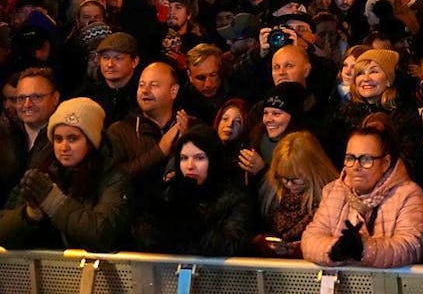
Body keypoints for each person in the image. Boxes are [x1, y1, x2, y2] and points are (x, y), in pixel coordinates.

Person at [0, 98, 131, 251]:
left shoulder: (114, 177)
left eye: (73, 139)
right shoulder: (42, 172)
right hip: (44, 270)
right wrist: (30, 215)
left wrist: (53, 201)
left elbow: (102, 233)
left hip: (94, 272)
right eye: (58, 139)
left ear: (91, 141)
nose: (64, 147)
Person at [301, 116, 423, 267]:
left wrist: (365, 248)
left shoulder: (408, 194)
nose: (356, 166)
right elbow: (310, 239)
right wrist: (335, 249)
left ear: (385, 163)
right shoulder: (333, 191)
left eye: (366, 159)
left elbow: (411, 245)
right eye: (350, 158)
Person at [139, 127, 253, 256]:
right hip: (166, 273)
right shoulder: (167, 193)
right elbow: (146, 238)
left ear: (213, 160)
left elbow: (230, 245)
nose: (190, 166)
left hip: (216, 274)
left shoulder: (234, 199)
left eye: (199, 158)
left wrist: (191, 218)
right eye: (183, 158)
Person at [254, 131, 340, 258]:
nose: (288, 184)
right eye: (283, 178)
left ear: (314, 171)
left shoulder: (332, 198)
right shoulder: (270, 191)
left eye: (295, 179)